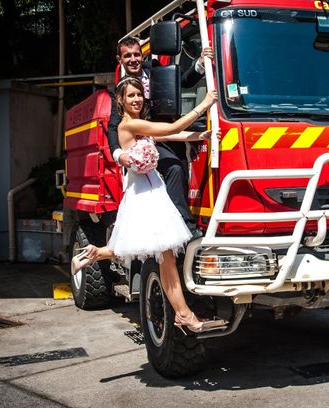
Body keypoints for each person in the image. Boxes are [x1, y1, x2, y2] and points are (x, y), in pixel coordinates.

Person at [73, 77, 224, 333]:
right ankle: (184, 314)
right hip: (145, 195)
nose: (137, 99)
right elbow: (172, 126)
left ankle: (95, 253)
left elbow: (173, 134)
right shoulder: (128, 125)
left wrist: (203, 134)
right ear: (120, 101)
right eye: (131, 95)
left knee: (161, 254)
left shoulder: (138, 125)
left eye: (139, 95)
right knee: (162, 253)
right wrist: (205, 104)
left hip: (152, 190)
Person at [108, 36, 214, 240]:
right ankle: (186, 226)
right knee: (172, 168)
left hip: (168, 132)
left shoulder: (154, 68)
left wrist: (200, 63)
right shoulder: (121, 89)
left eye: (136, 54)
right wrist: (118, 154)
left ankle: (178, 222)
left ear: (142, 55)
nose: (133, 59)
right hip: (148, 135)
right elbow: (113, 126)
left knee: (180, 169)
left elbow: (181, 82)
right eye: (127, 56)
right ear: (119, 60)